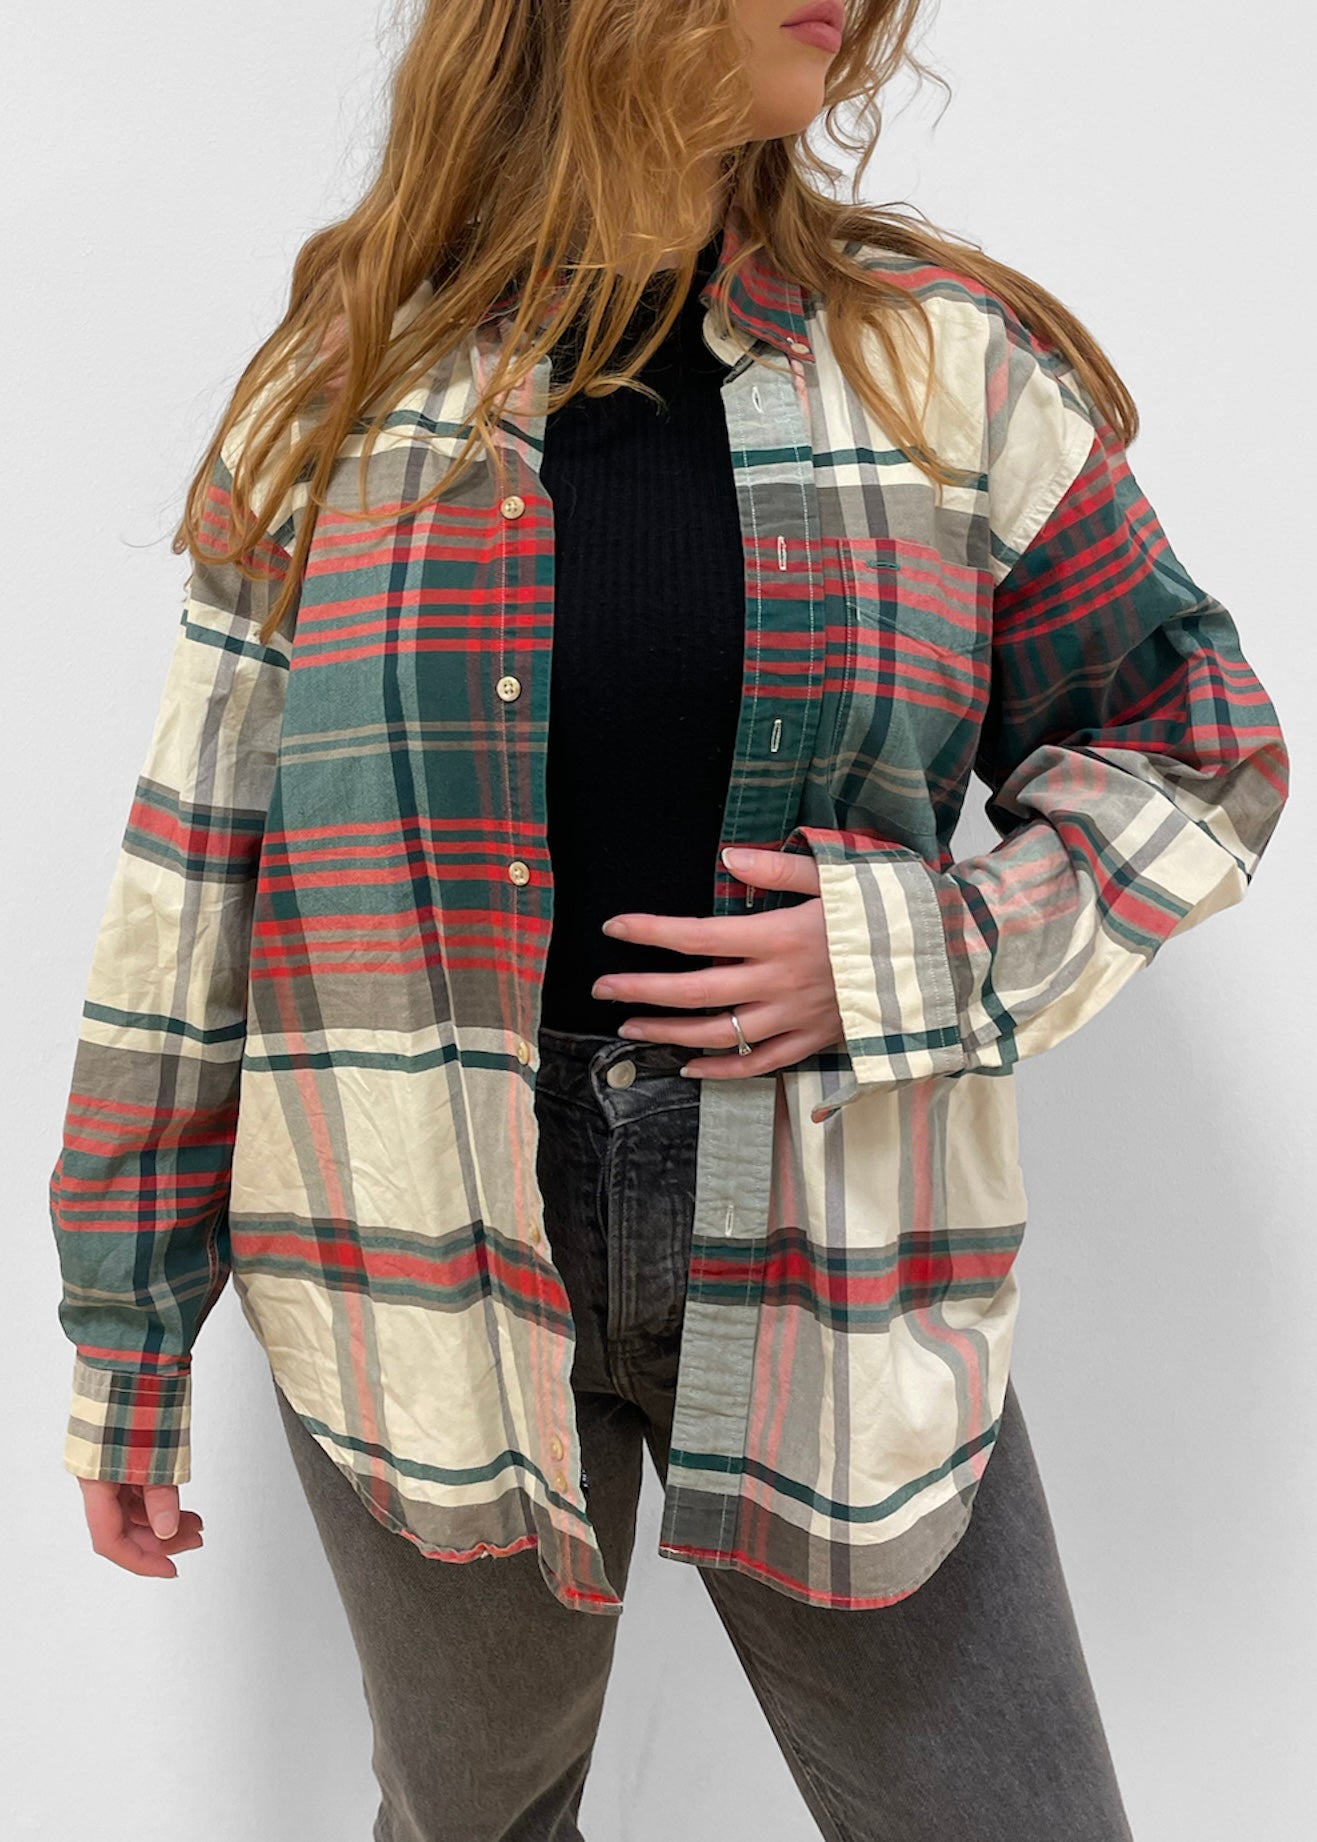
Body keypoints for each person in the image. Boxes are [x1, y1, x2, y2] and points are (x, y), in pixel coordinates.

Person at [48, 2, 1289, 1838]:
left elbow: (1197, 744)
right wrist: (127, 1331)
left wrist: (909, 955)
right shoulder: (341, 388)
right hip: (412, 1244)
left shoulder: (945, 365)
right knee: (474, 1821)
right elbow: (195, 876)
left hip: (832, 1232)